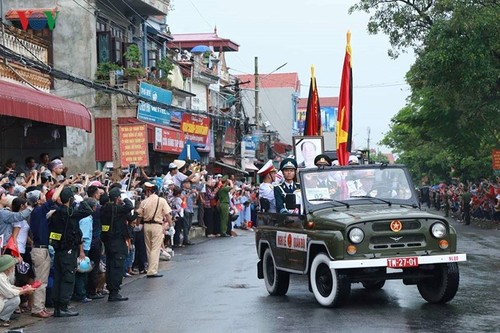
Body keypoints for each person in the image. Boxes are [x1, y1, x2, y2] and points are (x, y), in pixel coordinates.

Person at [50, 187, 89, 317]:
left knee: (59, 278)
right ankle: (63, 307)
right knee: (68, 278)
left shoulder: (55, 213)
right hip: (68, 250)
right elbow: (88, 210)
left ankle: (58, 307)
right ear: (71, 199)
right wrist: (82, 197)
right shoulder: (70, 213)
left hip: (58, 249)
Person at [27, 184, 64, 318]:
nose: (44, 196)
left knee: (43, 280)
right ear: (37, 200)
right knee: (41, 281)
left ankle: (40, 307)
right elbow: (53, 198)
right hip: (40, 250)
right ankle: (37, 308)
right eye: (42, 195)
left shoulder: (39, 212)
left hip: (42, 249)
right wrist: (63, 184)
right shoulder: (38, 211)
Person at [100, 187, 134, 301]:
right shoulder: (116, 208)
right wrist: (125, 198)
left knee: (110, 266)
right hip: (117, 241)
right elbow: (129, 206)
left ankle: (112, 290)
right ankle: (114, 292)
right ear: (117, 198)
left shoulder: (105, 208)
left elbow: (129, 216)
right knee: (117, 267)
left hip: (108, 241)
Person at [136, 183, 172, 278]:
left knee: (148, 248)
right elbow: (168, 214)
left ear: (149, 191)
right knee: (155, 249)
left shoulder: (144, 202)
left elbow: (139, 215)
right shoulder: (162, 201)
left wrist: (137, 225)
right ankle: (152, 270)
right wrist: (171, 226)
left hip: (146, 225)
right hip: (157, 225)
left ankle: (150, 268)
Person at [0, 255, 36, 327]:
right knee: (15, 299)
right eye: (12, 266)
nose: (14, 268)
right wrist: (25, 291)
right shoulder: (1, 277)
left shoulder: (3, 276)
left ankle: (4, 318)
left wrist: (22, 289)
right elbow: (9, 293)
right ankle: (2, 319)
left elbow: (10, 287)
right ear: (8, 268)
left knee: (15, 298)